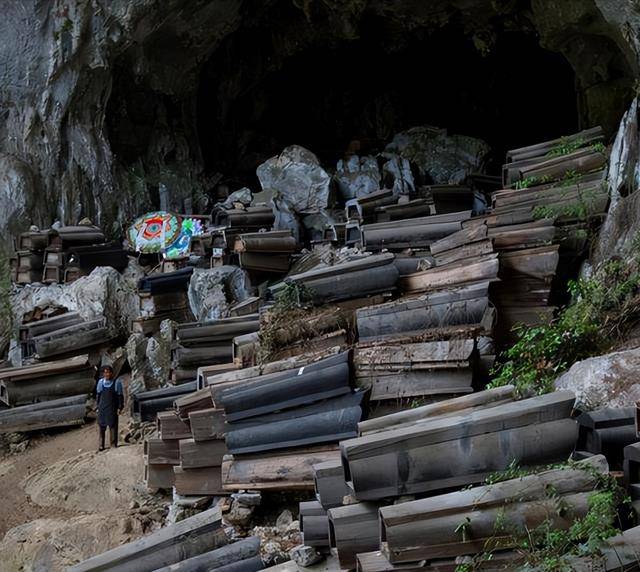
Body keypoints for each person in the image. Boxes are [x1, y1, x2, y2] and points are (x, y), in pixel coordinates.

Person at [96, 365, 124, 451]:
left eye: (108, 372)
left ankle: (113, 443)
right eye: (105, 372)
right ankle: (101, 445)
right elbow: (98, 395)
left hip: (112, 407)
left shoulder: (117, 383)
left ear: (111, 373)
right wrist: (97, 407)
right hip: (102, 407)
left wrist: (120, 407)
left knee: (113, 425)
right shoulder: (100, 383)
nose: (107, 374)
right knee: (102, 426)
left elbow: (120, 396)